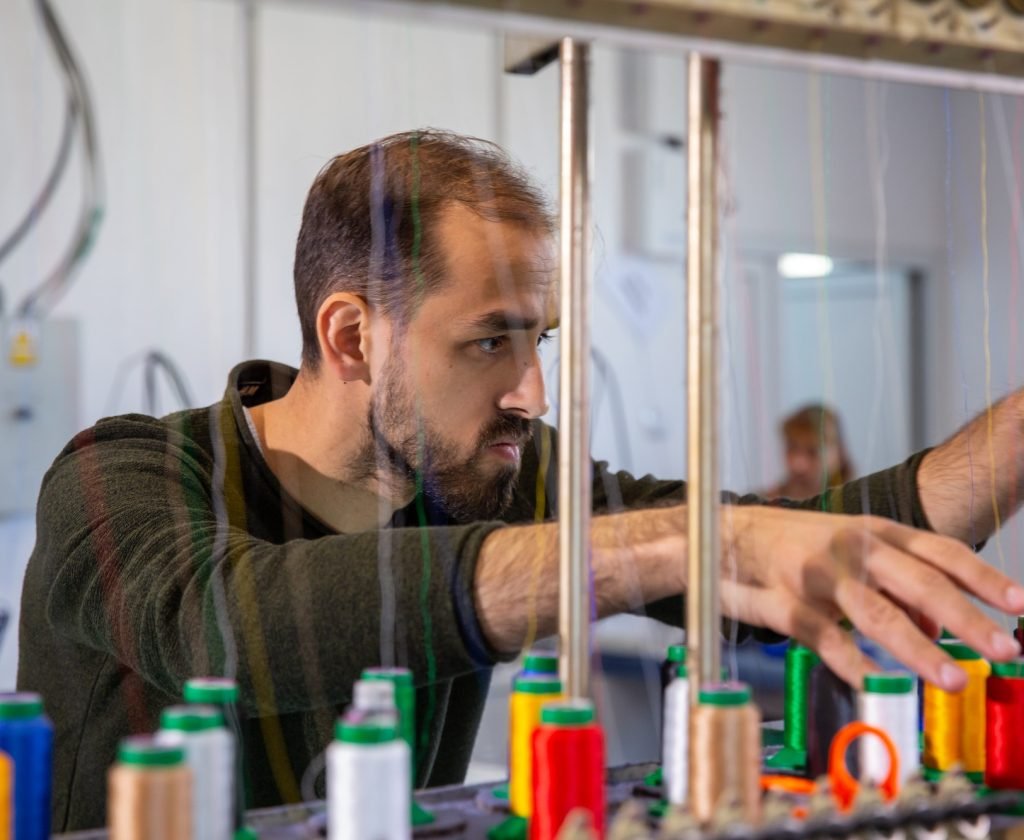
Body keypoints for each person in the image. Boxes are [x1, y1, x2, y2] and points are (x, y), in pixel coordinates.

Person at [18, 130, 1024, 831]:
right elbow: (224, 624)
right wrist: (682, 544)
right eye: (489, 340)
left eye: (536, 338)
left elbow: (823, 551)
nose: (531, 392)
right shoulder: (120, 479)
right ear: (351, 336)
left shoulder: (496, 474)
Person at [763, 403, 855, 500]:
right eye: (791, 448)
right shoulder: (758, 506)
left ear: (839, 454)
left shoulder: (861, 507)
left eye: (813, 452)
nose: (798, 465)